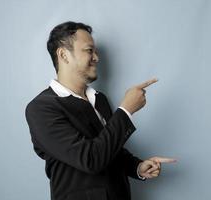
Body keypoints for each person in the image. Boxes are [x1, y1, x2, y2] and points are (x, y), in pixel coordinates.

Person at [25, 21, 176, 200]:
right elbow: (89, 159)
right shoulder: (41, 109)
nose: (96, 57)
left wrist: (137, 167)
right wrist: (126, 110)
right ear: (63, 54)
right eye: (89, 50)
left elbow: (109, 149)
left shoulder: (100, 99)